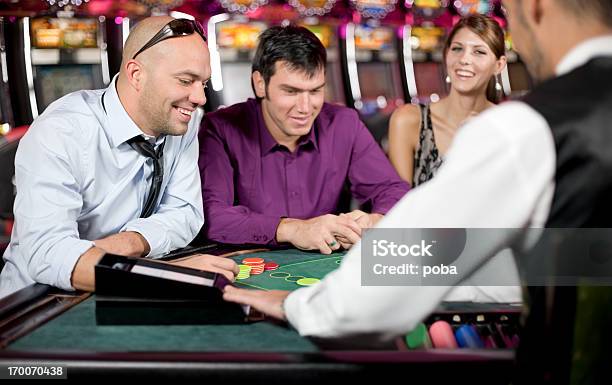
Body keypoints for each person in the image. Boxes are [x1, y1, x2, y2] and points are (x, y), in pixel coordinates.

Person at [224, 0, 612, 382]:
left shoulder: (526, 128)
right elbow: (583, 256)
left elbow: (409, 265)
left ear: (536, 8)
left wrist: (300, 306)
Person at [0, 17, 238, 299]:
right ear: (137, 74)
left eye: (204, 83)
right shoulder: (62, 130)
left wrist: (129, 243)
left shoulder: (182, 124)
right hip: (36, 301)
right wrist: (173, 275)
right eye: (186, 80)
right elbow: (50, 256)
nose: (199, 97)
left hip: (116, 283)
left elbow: (184, 213)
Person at [198, 26, 410, 255]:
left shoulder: (343, 123)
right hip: (252, 270)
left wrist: (376, 220)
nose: (305, 108)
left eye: (315, 91)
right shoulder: (220, 128)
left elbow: (392, 189)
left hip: (325, 267)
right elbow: (212, 217)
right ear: (260, 84)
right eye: (291, 91)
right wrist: (293, 229)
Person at [388, 14, 507, 186]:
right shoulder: (408, 120)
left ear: (499, 65)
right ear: (446, 55)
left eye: (479, 52)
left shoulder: (505, 125)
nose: (464, 60)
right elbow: (399, 205)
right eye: (457, 49)